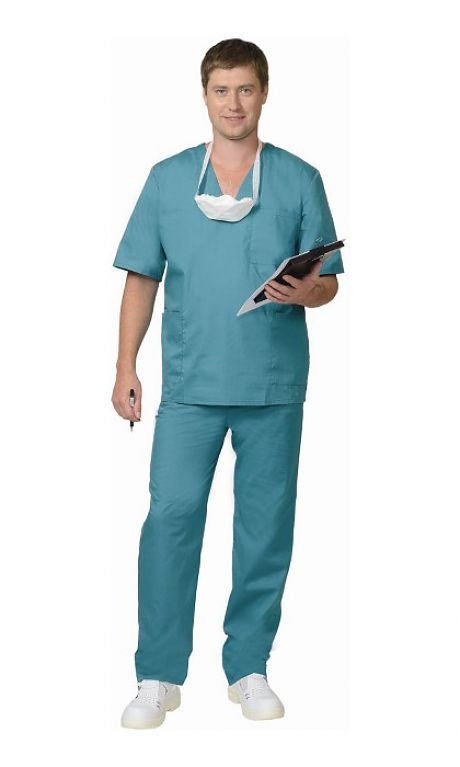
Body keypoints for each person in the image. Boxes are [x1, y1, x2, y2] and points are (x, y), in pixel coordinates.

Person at [111, 38, 345, 729]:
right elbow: (142, 277)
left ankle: (248, 666)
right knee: (170, 522)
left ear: (264, 93)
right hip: (191, 385)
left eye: (246, 89)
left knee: (265, 528)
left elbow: (329, 284)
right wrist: (125, 366)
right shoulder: (166, 181)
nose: (234, 103)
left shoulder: (299, 180)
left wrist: (306, 292)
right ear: (205, 95)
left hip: (272, 386)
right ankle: (158, 674)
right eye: (222, 90)